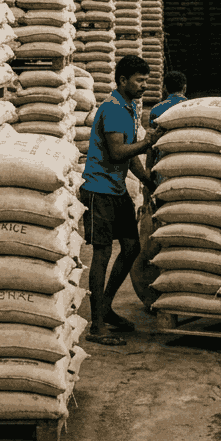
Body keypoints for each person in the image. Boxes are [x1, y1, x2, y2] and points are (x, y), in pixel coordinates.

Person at [80, 55, 159, 346]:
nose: (143, 86)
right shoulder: (113, 109)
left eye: (145, 80)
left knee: (131, 247)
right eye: (139, 80)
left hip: (116, 189)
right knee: (101, 255)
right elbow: (116, 152)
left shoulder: (128, 109)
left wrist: (151, 182)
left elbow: (131, 157)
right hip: (99, 190)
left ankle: (106, 307)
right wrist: (149, 141)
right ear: (123, 81)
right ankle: (97, 326)